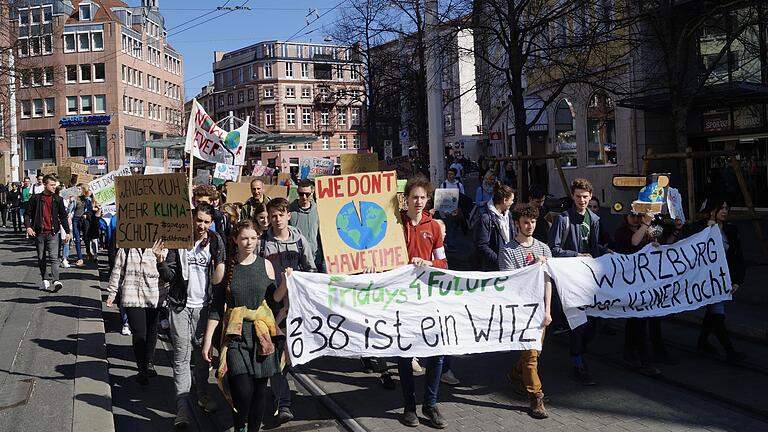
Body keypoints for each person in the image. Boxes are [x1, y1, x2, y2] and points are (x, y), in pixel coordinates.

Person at [203, 220, 284, 432]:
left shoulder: (265, 265)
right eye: (245, 238)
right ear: (235, 240)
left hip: (261, 336)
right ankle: (239, 427)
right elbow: (216, 309)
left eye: (253, 238)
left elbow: (274, 301)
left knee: (259, 392)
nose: (249, 243)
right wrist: (207, 342)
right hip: (236, 337)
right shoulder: (224, 268)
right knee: (243, 391)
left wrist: (285, 283)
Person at [157, 203, 226, 427]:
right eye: (199, 221)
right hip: (180, 306)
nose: (202, 226)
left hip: (204, 308)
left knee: (202, 355)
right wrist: (160, 259)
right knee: (181, 355)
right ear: (192, 219)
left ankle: (203, 394)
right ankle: (183, 408)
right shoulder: (179, 239)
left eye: (207, 222)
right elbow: (169, 275)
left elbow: (221, 274)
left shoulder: (215, 241)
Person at [548, 178, 610, 386]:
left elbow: (594, 248)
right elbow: (553, 250)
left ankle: (580, 353)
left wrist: (607, 252)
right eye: (578, 196)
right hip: (571, 280)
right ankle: (578, 363)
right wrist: (576, 255)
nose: (582, 200)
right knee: (578, 324)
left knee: (594, 322)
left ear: (590, 196)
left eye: (585, 197)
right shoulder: (563, 219)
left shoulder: (594, 219)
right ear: (572, 197)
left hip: (589, 279)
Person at [398, 174, 448, 429]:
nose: (418, 201)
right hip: (401, 296)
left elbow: (444, 263)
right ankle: (409, 406)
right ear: (405, 199)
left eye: (422, 197)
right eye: (414, 197)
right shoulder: (395, 224)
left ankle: (430, 403)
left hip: (428, 296)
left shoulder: (435, 227)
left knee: (436, 352)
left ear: (428, 200)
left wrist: (429, 263)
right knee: (403, 352)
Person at [260, 197, 316, 424]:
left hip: (296, 308)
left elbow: (311, 269)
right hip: (273, 307)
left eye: (281, 214)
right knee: (276, 355)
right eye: (273, 215)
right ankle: (283, 402)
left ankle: (281, 391)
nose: (277, 219)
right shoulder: (263, 242)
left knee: (292, 355)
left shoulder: (300, 240)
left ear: (288, 215)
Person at [499, 203, 554, 419]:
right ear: (516, 224)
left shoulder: (543, 248)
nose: (529, 226)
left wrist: (548, 309)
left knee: (534, 352)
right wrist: (534, 268)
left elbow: (548, 281)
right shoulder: (508, 250)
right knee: (531, 355)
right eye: (525, 222)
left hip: (540, 307)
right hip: (522, 308)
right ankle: (536, 397)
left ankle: (515, 374)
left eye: (532, 222)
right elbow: (511, 282)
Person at [612, 211, 668, 376]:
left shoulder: (648, 231)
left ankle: (632, 351)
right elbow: (633, 242)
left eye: (639, 216)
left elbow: (659, 243)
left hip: (647, 281)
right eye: (633, 216)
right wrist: (645, 224)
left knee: (641, 318)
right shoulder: (622, 232)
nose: (636, 219)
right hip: (631, 281)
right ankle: (641, 357)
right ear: (625, 217)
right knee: (638, 319)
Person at [691, 197, 745, 364]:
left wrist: (737, 280)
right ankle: (730, 352)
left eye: (726, 208)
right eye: (720, 208)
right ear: (711, 210)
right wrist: (705, 231)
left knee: (713, 312)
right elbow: (687, 245)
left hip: (722, 278)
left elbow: (737, 257)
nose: (724, 211)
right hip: (706, 279)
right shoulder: (700, 228)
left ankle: (702, 342)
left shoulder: (731, 230)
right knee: (718, 314)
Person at [106, 242, 168, 385]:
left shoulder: (162, 244)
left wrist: (160, 257)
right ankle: (142, 368)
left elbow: (167, 272)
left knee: (152, 329)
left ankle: (149, 361)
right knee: (139, 331)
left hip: (154, 294)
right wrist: (112, 292)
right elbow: (118, 269)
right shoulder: (127, 245)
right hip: (132, 294)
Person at [25, 174, 71, 292]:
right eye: (51, 185)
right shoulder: (35, 198)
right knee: (41, 257)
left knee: (54, 257)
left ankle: (56, 280)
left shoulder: (58, 199)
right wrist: (28, 227)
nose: (54, 187)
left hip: (53, 232)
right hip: (39, 233)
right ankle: (45, 278)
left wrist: (67, 231)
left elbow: (63, 216)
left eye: (55, 185)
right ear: (44, 185)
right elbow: (27, 214)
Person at [475, 182, 516, 271]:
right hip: (494, 268)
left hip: (510, 264)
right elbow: (482, 245)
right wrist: (499, 260)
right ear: (505, 200)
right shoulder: (486, 218)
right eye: (511, 200)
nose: (512, 202)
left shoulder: (509, 215)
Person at [288, 180, 323, 271]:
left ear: (312, 192)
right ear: (297, 192)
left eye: (307, 194)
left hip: (316, 259)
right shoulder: (289, 211)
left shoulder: (319, 210)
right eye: (301, 194)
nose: (304, 197)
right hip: (295, 259)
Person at [72, 184, 92, 266]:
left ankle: (88, 252)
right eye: (77, 189)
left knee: (86, 237)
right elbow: (69, 210)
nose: (78, 190)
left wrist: (86, 215)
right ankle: (80, 258)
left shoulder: (87, 200)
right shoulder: (74, 199)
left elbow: (90, 210)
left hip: (84, 220)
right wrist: (71, 202)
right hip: (75, 220)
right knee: (77, 239)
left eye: (79, 189)